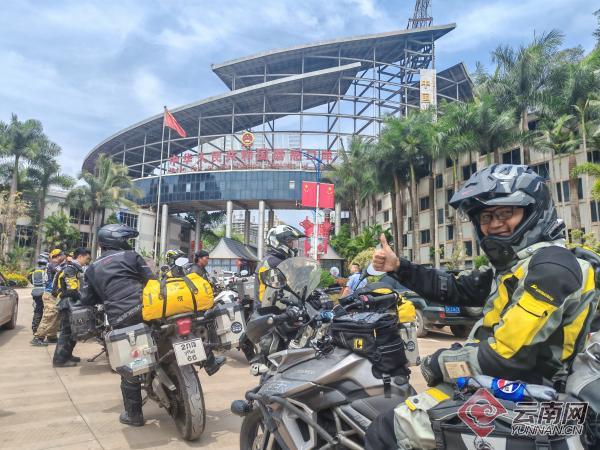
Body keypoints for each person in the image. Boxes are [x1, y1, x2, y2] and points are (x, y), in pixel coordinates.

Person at [365, 164, 599, 450]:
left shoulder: (551, 267)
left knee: (386, 430)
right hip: (500, 387)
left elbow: (506, 356)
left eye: (506, 213)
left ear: (533, 211)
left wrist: (438, 363)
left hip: (528, 396)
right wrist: (398, 267)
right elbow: (454, 288)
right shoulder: (515, 267)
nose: (494, 224)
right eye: (486, 216)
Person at [80, 224, 225, 427]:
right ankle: (209, 362)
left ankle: (134, 415)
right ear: (117, 241)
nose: (127, 243)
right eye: (125, 240)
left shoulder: (92, 268)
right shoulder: (131, 256)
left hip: (122, 318)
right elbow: (151, 280)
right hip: (150, 309)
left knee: (131, 367)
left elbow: (86, 299)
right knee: (179, 327)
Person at [52, 247, 91, 367]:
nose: (88, 261)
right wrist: (85, 297)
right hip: (67, 304)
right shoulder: (70, 269)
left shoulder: (76, 269)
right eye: (87, 258)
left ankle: (68, 355)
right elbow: (72, 290)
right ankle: (59, 360)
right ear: (80, 256)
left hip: (72, 304)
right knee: (66, 332)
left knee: (73, 332)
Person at [255, 225, 306, 303]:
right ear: (277, 242)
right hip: (267, 308)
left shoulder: (282, 261)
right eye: (289, 242)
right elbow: (276, 289)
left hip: (279, 306)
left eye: (293, 242)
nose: (292, 246)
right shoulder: (272, 262)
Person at [31, 249, 65, 346]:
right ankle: (38, 337)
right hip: (50, 295)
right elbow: (62, 270)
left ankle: (51, 336)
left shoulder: (55, 264)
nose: (64, 257)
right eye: (62, 255)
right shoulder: (52, 264)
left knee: (56, 316)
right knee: (49, 315)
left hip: (55, 295)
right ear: (58, 256)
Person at [29, 256, 48, 335]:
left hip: (35, 292)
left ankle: (35, 327)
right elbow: (47, 281)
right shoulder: (45, 272)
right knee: (46, 311)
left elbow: (31, 281)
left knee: (37, 310)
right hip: (43, 292)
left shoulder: (33, 272)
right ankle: (41, 329)